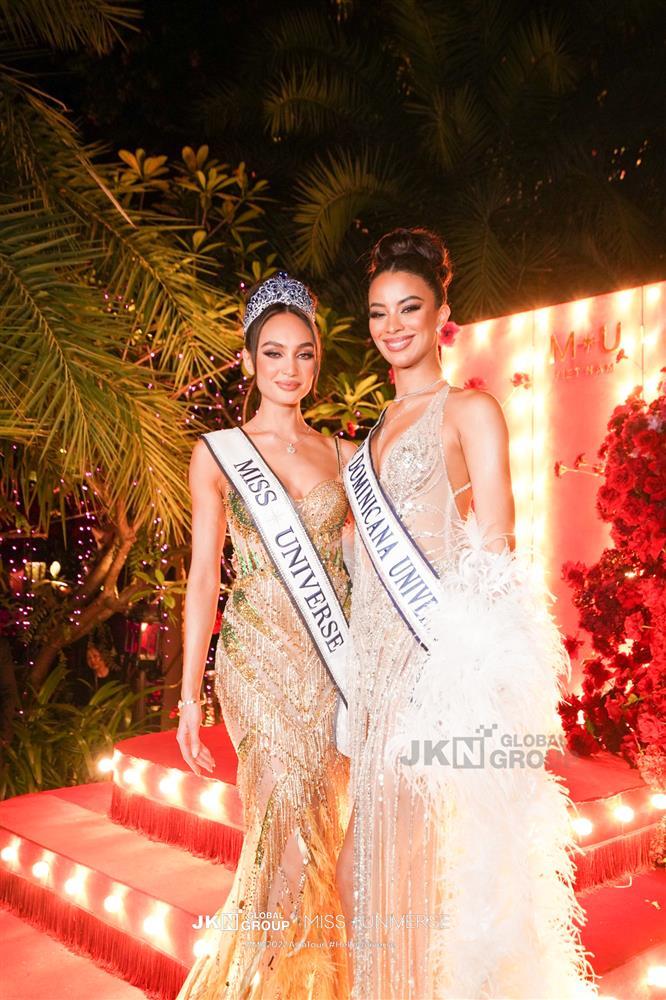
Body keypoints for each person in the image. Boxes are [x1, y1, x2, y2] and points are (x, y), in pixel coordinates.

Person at [336, 229, 597, 998]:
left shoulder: (470, 411)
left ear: (442, 313)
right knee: (365, 873)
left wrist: (480, 682)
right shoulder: (373, 432)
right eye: (379, 311)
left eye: (409, 307)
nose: (392, 325)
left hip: (432, 675)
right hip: (375, 674)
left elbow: (494, 549)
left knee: (427, 873)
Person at [176, 273, 356, 1000]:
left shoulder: (344, 455)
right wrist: (189, 699)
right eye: (274, 353)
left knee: (324, 828)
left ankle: (309, 981)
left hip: (329, 664)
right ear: (248, 360)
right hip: (254, 660)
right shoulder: (218, 453)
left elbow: (361, 570)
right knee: (281, 825)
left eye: (303, 353)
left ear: (317, 362)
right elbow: (201, 580)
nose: (290, 368)